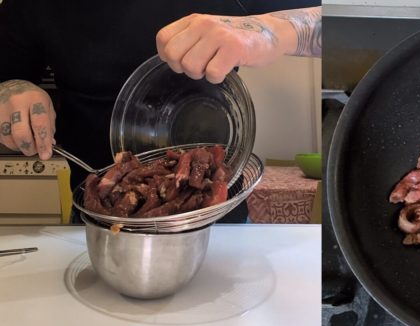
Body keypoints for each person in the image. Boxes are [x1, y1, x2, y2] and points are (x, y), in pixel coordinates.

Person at [0, 1, 321, 187]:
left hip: (217, 212)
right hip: (95, 208)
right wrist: (13, 90)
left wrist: (272, 31)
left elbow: (335, 21)